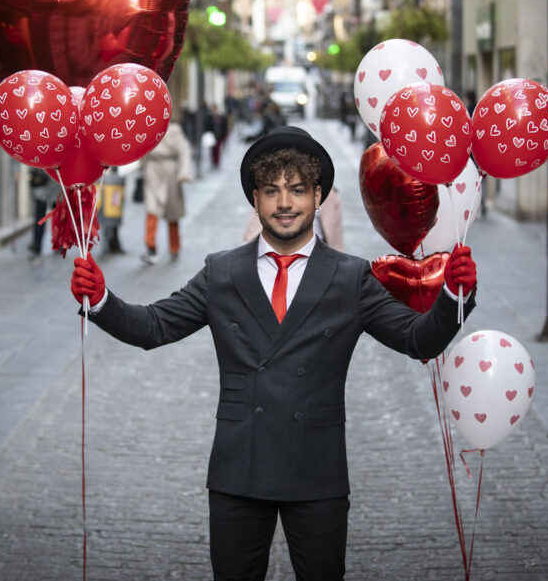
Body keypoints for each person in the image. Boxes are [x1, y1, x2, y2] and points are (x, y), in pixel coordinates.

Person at [70, 126, 478, 581]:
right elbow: (153, 326)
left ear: (317, 196)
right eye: (272, 191)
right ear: (256, 200)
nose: (285, 203)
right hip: (238, 471)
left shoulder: (351, 278)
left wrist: (453, 299)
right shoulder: (221, 272)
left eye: (298, 190)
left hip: (317, 472)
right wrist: (103, 300)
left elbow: (417, 339)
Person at [140, 121, 193, 264]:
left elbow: (184, 149)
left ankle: (174, 247)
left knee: (172, 211)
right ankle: (151, 247)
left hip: (170, 171)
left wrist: (184, 172)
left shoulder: (174, 129)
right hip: (152, 170)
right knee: (152, 208)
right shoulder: (147, 127)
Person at [27, 169, 60, 255]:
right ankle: (37, 244)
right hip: (43, 188)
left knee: (56, 218)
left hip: (55, 188)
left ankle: (57, 243)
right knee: (40, 218)